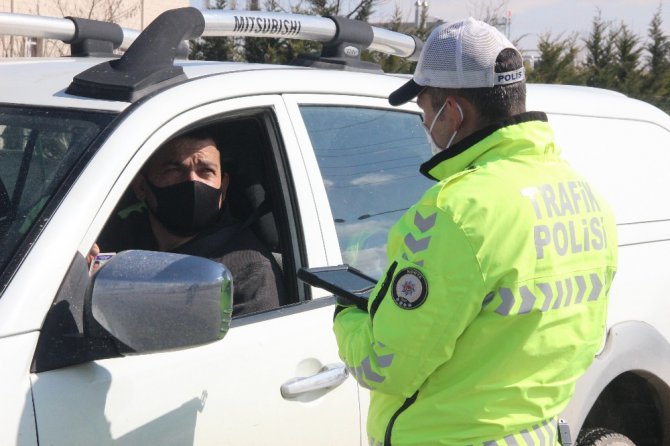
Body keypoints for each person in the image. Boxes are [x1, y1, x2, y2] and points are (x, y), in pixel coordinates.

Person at [333, 18, 618, 445]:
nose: (424, 122)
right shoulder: (587, 197)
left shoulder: (454, 212)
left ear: (453, 111)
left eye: (424, 109)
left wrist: (347, 316)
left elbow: (384, 365)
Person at [97, 129, 286, 317]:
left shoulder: (248, 269)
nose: (191, 180)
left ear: (224, 187)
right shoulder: (119, 239)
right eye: (174, 169)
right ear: (141, 186)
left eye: (206, 171)